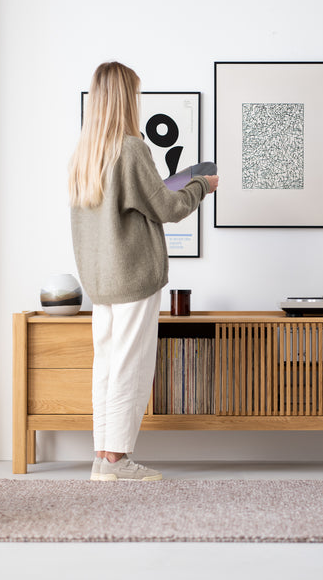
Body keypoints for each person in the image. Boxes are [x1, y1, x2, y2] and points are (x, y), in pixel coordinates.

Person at [69, 62, 218, 481]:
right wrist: (202, 185)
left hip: (101, 281)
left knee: (107, 366)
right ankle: (117, 462)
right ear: (124, 98)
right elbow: (168, 208)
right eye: (135, 94)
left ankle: (103, 457)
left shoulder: (85, 154)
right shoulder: (131, 149)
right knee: (131, 366)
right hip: (133, 276)